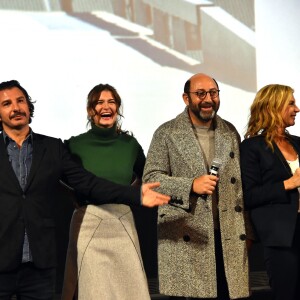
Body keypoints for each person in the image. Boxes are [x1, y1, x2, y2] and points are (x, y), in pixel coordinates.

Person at [0, 80, 170, 300]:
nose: (15, 108)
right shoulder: (74, 144)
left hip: (39, 265)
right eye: (6, 104)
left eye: (20, 101)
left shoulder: (52, 148)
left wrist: (134, 194)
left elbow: (88, 182)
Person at [143, 73, 252, 299]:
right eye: (200, 93)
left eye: (213, 93)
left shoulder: (229, 131)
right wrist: (191, 185)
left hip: (227, 235)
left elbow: (240, 186)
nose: (208, 99)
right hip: (188, 235)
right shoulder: (167, 132)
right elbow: (151, 180)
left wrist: (247, 230)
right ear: (186, 98)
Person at [61, 83, 150, 299]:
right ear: (90, 110)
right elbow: (61, 180)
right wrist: (77, 202)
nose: (106, 107)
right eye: (99, 102)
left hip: (122, 223)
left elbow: (147, 175)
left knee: (130, 291)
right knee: (92, 291)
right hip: (88, 223)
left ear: (118, 108)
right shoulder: (74, 144)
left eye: (111, 102)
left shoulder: (130, 145)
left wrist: (130, 194)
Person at [240, 84, 300, 300]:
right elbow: (249, 196)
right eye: (291, 103)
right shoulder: (251, 148)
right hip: (282, 237)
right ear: (273, 107)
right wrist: (288, 184)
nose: (297, 109)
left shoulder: (297, 143)